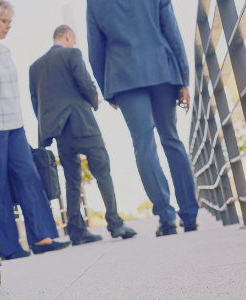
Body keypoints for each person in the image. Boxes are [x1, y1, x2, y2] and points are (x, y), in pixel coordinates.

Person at [0, 0, 69, 260]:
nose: (8, 27)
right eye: (4, 21)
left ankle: (43, 238)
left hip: (15, 127)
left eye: (10, 22)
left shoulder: (7, 51)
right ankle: (9, 247)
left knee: (29, 178)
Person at [86, 0, 199, 236]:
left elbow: (95, 49)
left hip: (124, 78)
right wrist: (184, 77)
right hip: (162, 70)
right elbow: (171, 30)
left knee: (143, 145)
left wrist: (108, 91)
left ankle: (167, 218)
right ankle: (190, 216)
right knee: (171, 140)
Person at [28, 25, 137, 245]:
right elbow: (85, 82)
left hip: (58, 131)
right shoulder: (72, 53)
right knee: (102, 170)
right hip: (81, 122)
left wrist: (48, 126)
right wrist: (95, 100)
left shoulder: (35, 66)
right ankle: (115, 223)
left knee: (72, 179)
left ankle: (77, 231)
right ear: (68, 37)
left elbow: (35, 102)